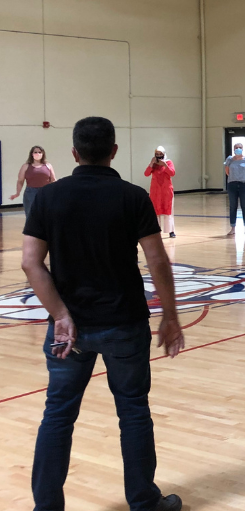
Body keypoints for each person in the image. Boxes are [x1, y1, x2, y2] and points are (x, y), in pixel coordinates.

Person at [21, 117, 184, 511]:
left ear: (75, 153)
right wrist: (171, 316)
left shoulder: (48, 198)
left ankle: (46, 507)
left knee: (57, 416)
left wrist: (60, 314)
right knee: (133, 412)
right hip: (124, 323)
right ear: (112, 152)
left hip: (68, 329)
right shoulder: (131, 197)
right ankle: (145, 502)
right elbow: (158, 260)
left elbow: (31, 264)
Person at [10, 145, 57, 221]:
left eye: (39, 152)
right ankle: (31, 232)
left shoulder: (48, 166)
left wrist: (55, 192)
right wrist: (17, 193)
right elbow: (20, 181)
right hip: (31, 192)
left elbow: (53, 180)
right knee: (32, 215)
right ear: (32, 154)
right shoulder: (26, 166)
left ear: (43, 154)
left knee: (46, 214)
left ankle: (45, 231)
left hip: (45, 191)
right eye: (35, 152)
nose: (37, 154)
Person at [144, 146, 176, 238]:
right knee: (155, 211)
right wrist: (151, 164)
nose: (158, 156)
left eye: (160, 154)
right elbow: (146, 174)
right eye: (157, 154)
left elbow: (172, 173)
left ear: (164, 154)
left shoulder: (169, 162)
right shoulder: (153, 164)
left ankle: (171, 231)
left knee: (168, 210)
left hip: (166, 191)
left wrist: (165, 165)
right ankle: (156, 231)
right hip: (155, 191)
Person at [224, 142, 245, 235]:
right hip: (232, 185)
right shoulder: (230, 159)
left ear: (242, 149)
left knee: (244, 206)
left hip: (244, 185)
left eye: (240, 147)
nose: (238, 148)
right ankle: (233, 228)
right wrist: (234, 178)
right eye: (236, 147)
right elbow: (227, 171)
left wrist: (243, 178)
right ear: (234, 149)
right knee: (233, 206)